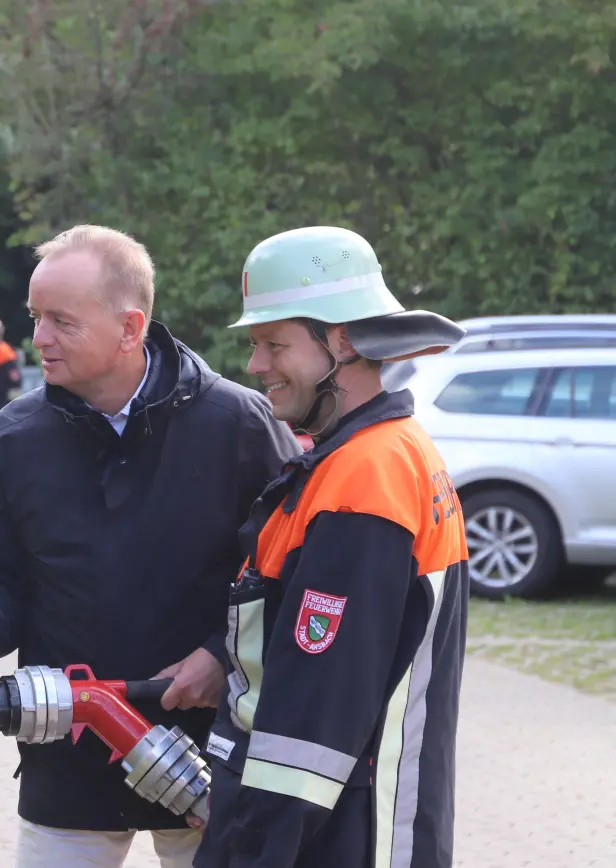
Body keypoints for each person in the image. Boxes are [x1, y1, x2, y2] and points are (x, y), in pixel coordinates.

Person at [0, 225, 300, 868]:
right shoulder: (15, 436)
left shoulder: (238, 426)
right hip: (66, 753)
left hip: (205, 748)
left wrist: (219, 655)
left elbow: (286, 573)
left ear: (130, 328)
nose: (38, 338)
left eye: (61, 321)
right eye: (35, 317)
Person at [192, 226, 469, 868]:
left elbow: (317, 711)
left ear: (342, 341)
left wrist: (257, 846)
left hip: (345, 832)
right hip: (348, 817)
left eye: (273, 343)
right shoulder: (365, 456)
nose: (256, 364)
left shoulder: (364, 478)